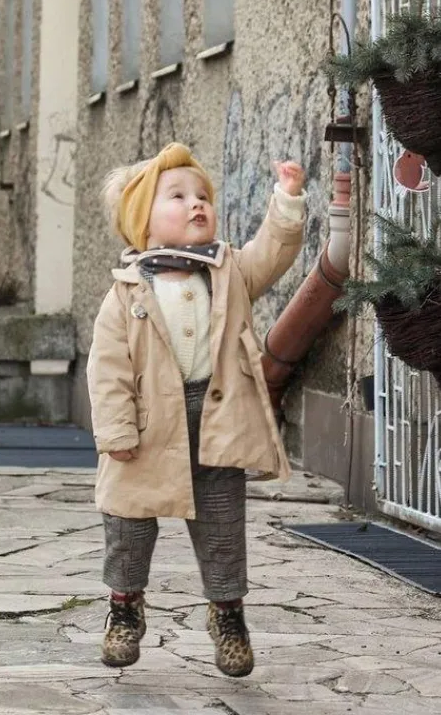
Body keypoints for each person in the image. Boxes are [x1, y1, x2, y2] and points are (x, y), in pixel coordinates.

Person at [87, 142, 306, 677]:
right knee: (130, 525)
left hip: (216, 422)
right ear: (143, 222)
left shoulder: (228, 272)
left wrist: (287, 199)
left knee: (223, 527)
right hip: (144, 427)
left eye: (202, 195)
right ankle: (124, 608)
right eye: (178, 196)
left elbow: (271, 253)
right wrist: (116, 429)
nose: (196, 203)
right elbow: (108, 369)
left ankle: (227, 615)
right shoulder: (126, 292)